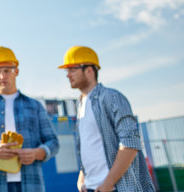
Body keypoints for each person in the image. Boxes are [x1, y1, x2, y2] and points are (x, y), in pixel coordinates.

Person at [58, 46, 155, 192]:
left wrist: (108, 183)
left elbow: (130, 143)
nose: (68, 75)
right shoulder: (81, 105)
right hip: (92, 187)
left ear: (89, 70)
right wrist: (82, 179)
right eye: (67, 70)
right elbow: (90, 147)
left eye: (72, 69)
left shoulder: (112, 97)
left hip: (115, 188)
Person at [0, 46, 59, 192]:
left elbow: (53, 142)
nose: (2, 76)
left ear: (16, 71)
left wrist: (36, 153)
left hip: (31, 183)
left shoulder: (35, 106)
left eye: (6, 71)